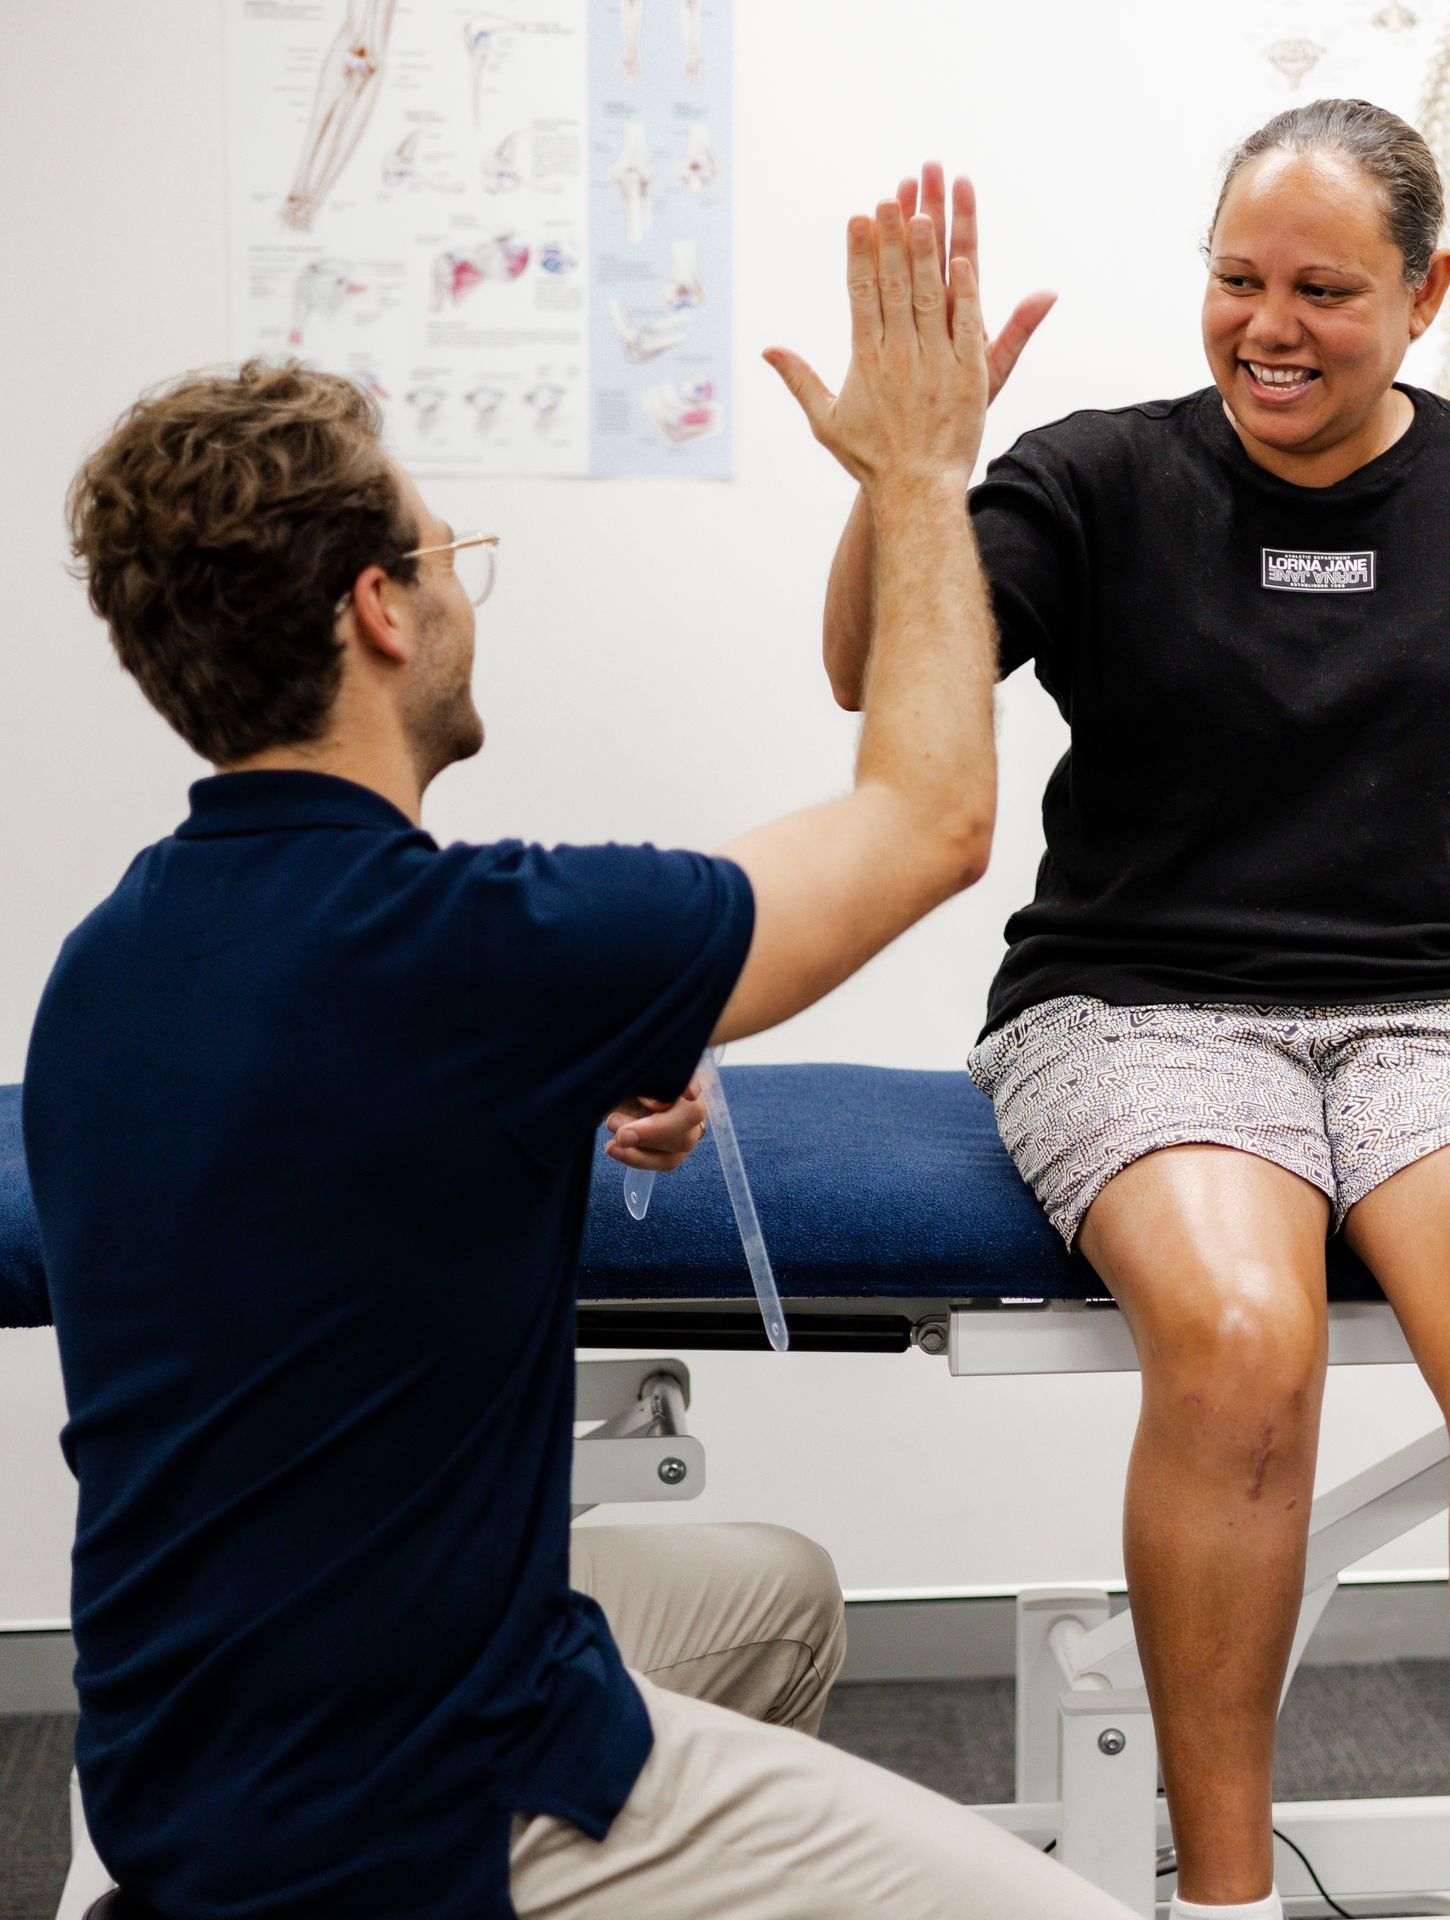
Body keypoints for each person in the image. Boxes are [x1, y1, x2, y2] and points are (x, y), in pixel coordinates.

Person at [28, 182, 1136, 1919]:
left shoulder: (113, 963)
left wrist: (544, 1100)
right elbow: (925, 817)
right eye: (450, 555)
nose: (470, 591)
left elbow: (327, 1163)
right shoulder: (476, 950)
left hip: (179, 1753)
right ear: (381, 613)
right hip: (418, 1792)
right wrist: (923, 476)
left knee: (768, 1590)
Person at [822, 113, 1450, 1920]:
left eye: (1324, 289)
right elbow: (878, 667)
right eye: (1237, 280)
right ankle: (1226, 1900)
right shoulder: (1096, 479)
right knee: (1246, 1335)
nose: (1270, 324)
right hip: (1138, 1006)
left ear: (1426, 295)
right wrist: (905, 482)